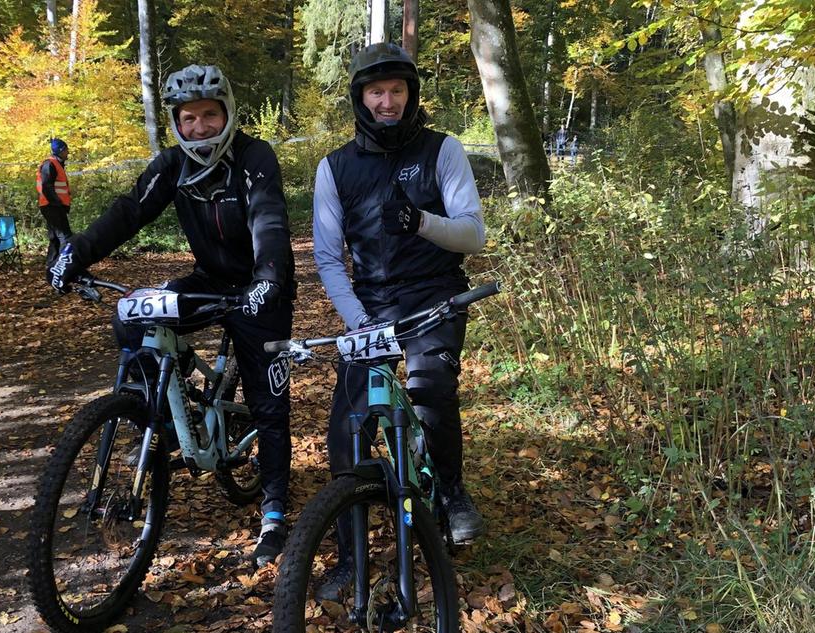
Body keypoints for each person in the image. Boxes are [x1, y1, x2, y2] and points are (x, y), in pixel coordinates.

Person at [46, 64, 296, 568]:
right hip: (209, 278)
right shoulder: (172, 165)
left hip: (261, 286)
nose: (200, 127)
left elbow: (269, 219)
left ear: (227, 112)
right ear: (176, 123)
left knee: (269, 405)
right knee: (132, 318)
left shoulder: (253, 157)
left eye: (210, 115)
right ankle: (154, 409)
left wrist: (268, 280)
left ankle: (273, 511)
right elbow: (128, 211)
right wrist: (77, 253)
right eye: (189, 118)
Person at [312, 42, 486, 593]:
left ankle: (451, 491)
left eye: (396, 91)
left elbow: (474, 234)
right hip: (372, 306)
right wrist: (356, 320)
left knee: (429, 383)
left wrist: (421, 222)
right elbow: (325, 255)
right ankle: (349, 552)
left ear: (411, 95)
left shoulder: (443, 150)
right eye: (375, 92)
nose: (387, 102)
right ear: (360, 98)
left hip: (437, 295)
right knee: (348, 422)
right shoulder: (335, 167)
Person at [37, 138, 73, 269]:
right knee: (65, 236)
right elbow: (46, 186)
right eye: (66, 150)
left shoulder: (57, 164)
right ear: (60, 150)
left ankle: (51, 265)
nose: (68, 152)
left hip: (52, 206)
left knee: (54, 237)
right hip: (52, 206)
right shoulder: (50, 164)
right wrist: (57, 203)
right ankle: (63, 266)